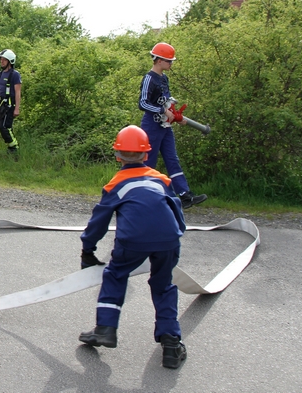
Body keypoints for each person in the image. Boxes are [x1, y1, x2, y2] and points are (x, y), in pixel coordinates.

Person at [78, 125, 188, 369]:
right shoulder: (161, 179)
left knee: (116, 274)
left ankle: (105, 329)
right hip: (169, 239)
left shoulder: (115, 184)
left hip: (133, 241)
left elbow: (99, 222)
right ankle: (171, 344)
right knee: (163, 285)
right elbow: (177, 210)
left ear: (117, 156)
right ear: (146, 154)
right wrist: (176, 234)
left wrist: (88, 249)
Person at [139, 42, 207, 209]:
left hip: (165, 126)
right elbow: (143, 103)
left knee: (172, 159)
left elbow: (167, 103)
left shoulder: (164, 79)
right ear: (159, 60)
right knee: (149, 161)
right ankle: (141, 196)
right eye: (169, 61)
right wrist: (162, 110)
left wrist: (177, 117)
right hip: (151, 126)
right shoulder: (149, 79)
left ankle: (184, 195)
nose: (171, 64)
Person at [0, 49, 21, 154]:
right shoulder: (0, 74)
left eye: (4, 60)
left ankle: (14, 147)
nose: (1, 61)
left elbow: (18, 92)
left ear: (10, 61)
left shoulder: (15, 75)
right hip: (1, 105)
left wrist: (17, 108)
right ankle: (11, 148)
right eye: (1, 59)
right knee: (3, 127)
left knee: (5, 127)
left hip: (10, 104)